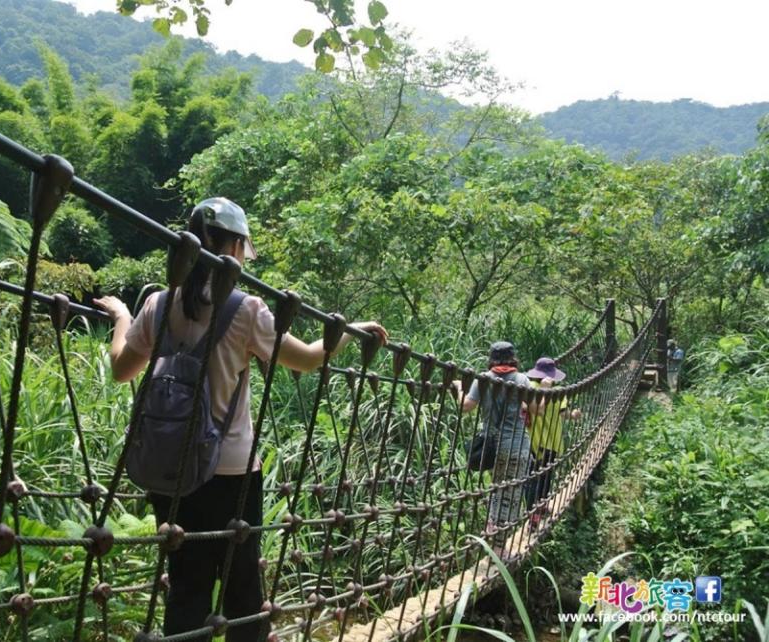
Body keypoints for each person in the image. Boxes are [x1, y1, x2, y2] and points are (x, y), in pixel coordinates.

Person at [94, 196, 388, 642]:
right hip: (231, 474)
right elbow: (307, 360)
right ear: (232, 248)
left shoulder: (157, 304)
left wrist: (121, 316)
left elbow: (120, 369)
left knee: (186, 587)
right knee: (242, 591)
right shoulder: (245, 309)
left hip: (171, 472)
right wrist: (349, 330)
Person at [460, 341, 533, 557]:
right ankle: (500, 546)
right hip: (518, 446)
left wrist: (457, 388)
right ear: (513, 358)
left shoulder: (482, 380)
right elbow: (535, 409)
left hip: (494, 447)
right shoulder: (522, 379)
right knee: (511, 493)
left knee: (497, 487)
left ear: (491, 359)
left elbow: (466, 407)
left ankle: (492, 529)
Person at [522, 357, 582, 529]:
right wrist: (574, 415)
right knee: (545, 478)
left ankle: (536, 510)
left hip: (531, 441)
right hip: (551, 442)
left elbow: (525, 407)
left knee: (533, 477)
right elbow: (563, 414)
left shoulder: (527, 388)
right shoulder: (558, 392)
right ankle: (536, 511)